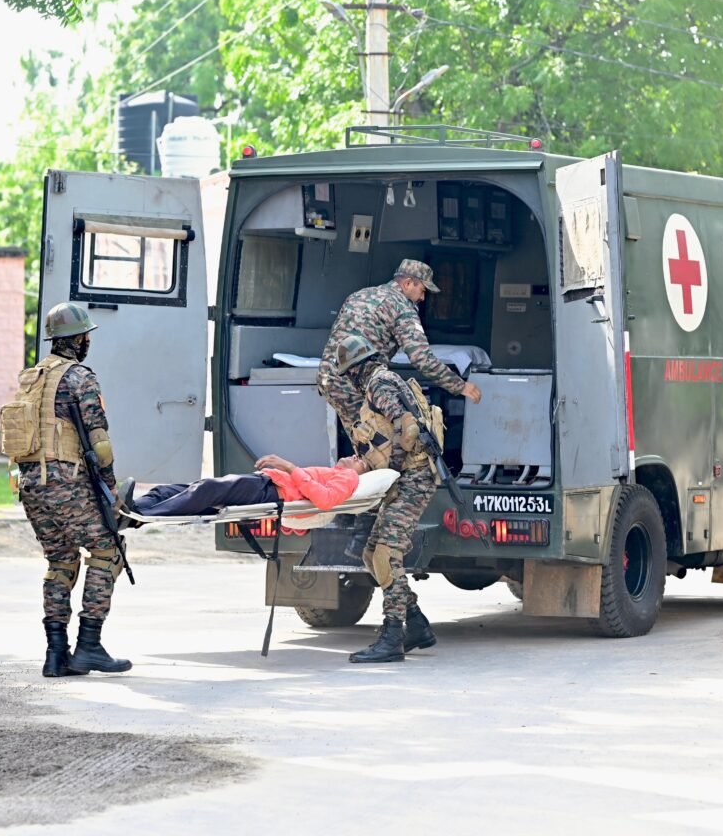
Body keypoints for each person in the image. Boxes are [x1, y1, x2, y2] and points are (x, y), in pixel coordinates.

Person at [316, 259, 482, 558]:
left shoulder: (360, 295)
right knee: (379, 452)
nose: (423, 298)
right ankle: (363, 532)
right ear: (408, 283)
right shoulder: (402, 307)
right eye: (422, 290)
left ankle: (347, 513)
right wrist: (461, 386)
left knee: (362, 448)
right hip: (358, 383)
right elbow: (422, 359)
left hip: (331, 380)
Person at [2, 301, 131, 678]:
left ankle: (56, 654)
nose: (88, 341)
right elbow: (100, 444)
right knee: (107, 551)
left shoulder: (31, 377)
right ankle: (89, 645)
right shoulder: (81, 378)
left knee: (60, 561)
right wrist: (112, 493)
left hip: (30, 484)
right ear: (76, 340)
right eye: (85, 335)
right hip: (67, 482)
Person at [335, 334, 448, 665]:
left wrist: (394, 467)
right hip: (410, 477)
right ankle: (415, 624)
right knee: (371, 554)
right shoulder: (384, 380)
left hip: (413, 478)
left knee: (386, 555)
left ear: (356, 370)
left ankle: (392, 637)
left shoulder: (379, 385)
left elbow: (405, 426)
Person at [124, 454, 369, 519]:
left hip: (271, 490)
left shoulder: (349, 478)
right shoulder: (337, 473)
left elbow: (325, 500)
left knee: (207, 489)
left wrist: (289, 467)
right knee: (172, 490)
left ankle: (141, 514)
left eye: (363, 462)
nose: (356, 457)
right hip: (265, 483)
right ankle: (134, 508)